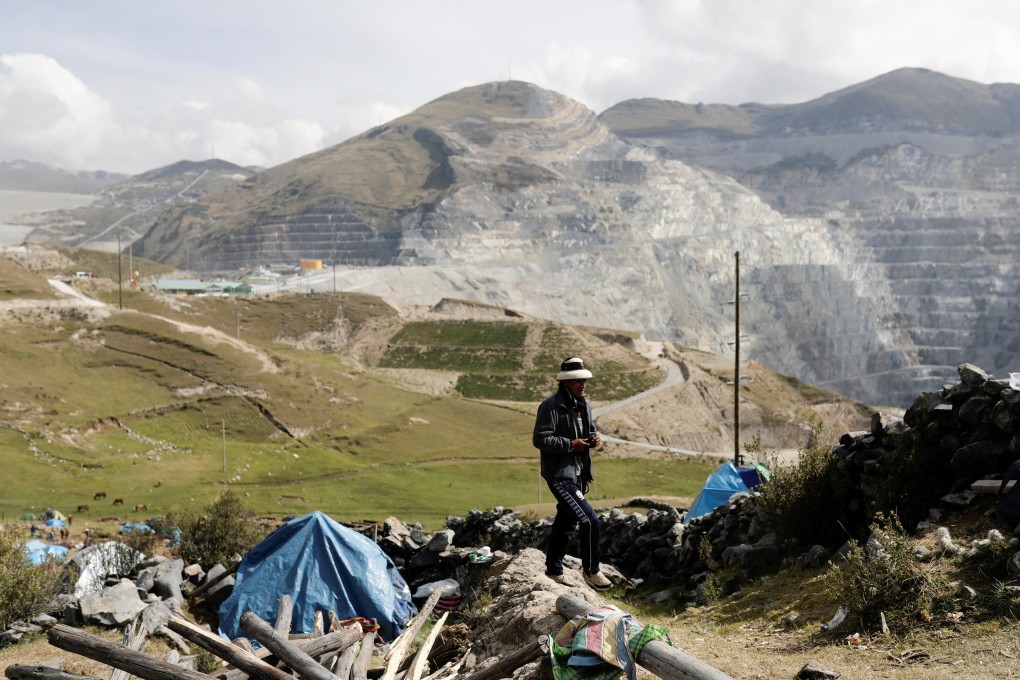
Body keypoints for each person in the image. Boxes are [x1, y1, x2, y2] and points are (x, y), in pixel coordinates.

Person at [533, 357, 612, 590]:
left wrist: (593, 438)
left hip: (577, 473)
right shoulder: (550, 406)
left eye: (584, 380)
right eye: (577, 380)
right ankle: (591, 571)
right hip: (559, 475)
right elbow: (540, 439)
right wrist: (570, 444)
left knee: (565, 522)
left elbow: (588, 432)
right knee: (589, 521)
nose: (582, 384)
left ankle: (554, 570)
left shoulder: (583, 405)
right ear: (565, 382)